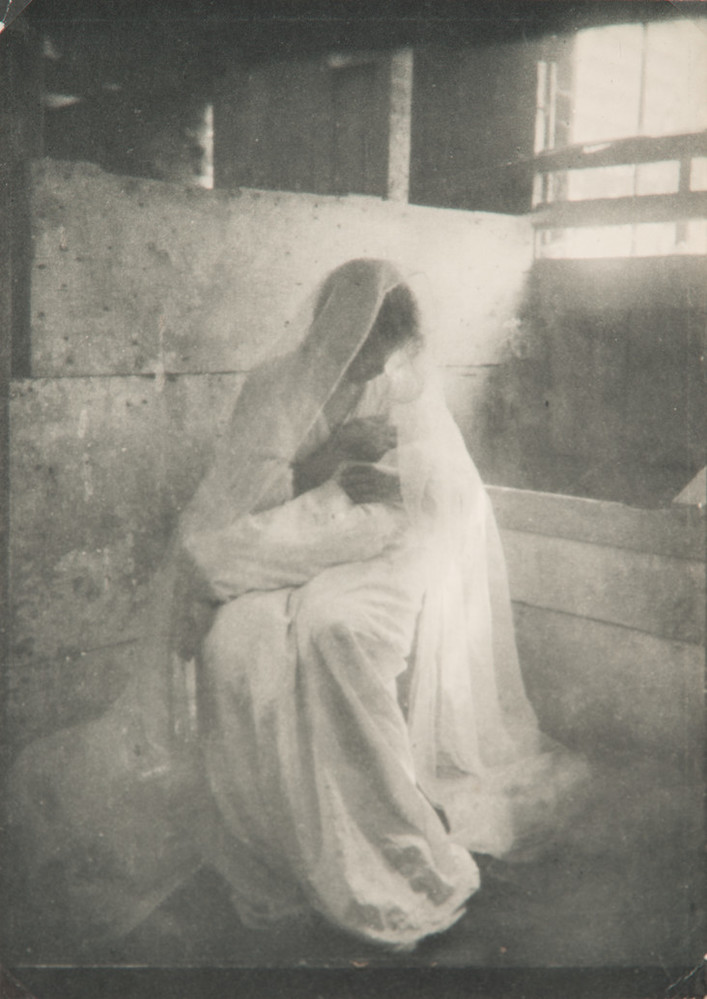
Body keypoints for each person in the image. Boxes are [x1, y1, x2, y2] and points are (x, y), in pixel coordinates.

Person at [6, 258, 583, 956]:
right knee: (237, 647)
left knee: (330, 633)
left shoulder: (390, 389)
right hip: (272, 537)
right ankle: (275, 842)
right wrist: (332, 462)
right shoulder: (276, 386)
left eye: (383, 350)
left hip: (354, 551)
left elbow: (440, 478)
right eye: (366, 344)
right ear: (340, 328)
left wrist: (393, 477)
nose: (372, 364)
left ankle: (366, 840)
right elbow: (244, 500)